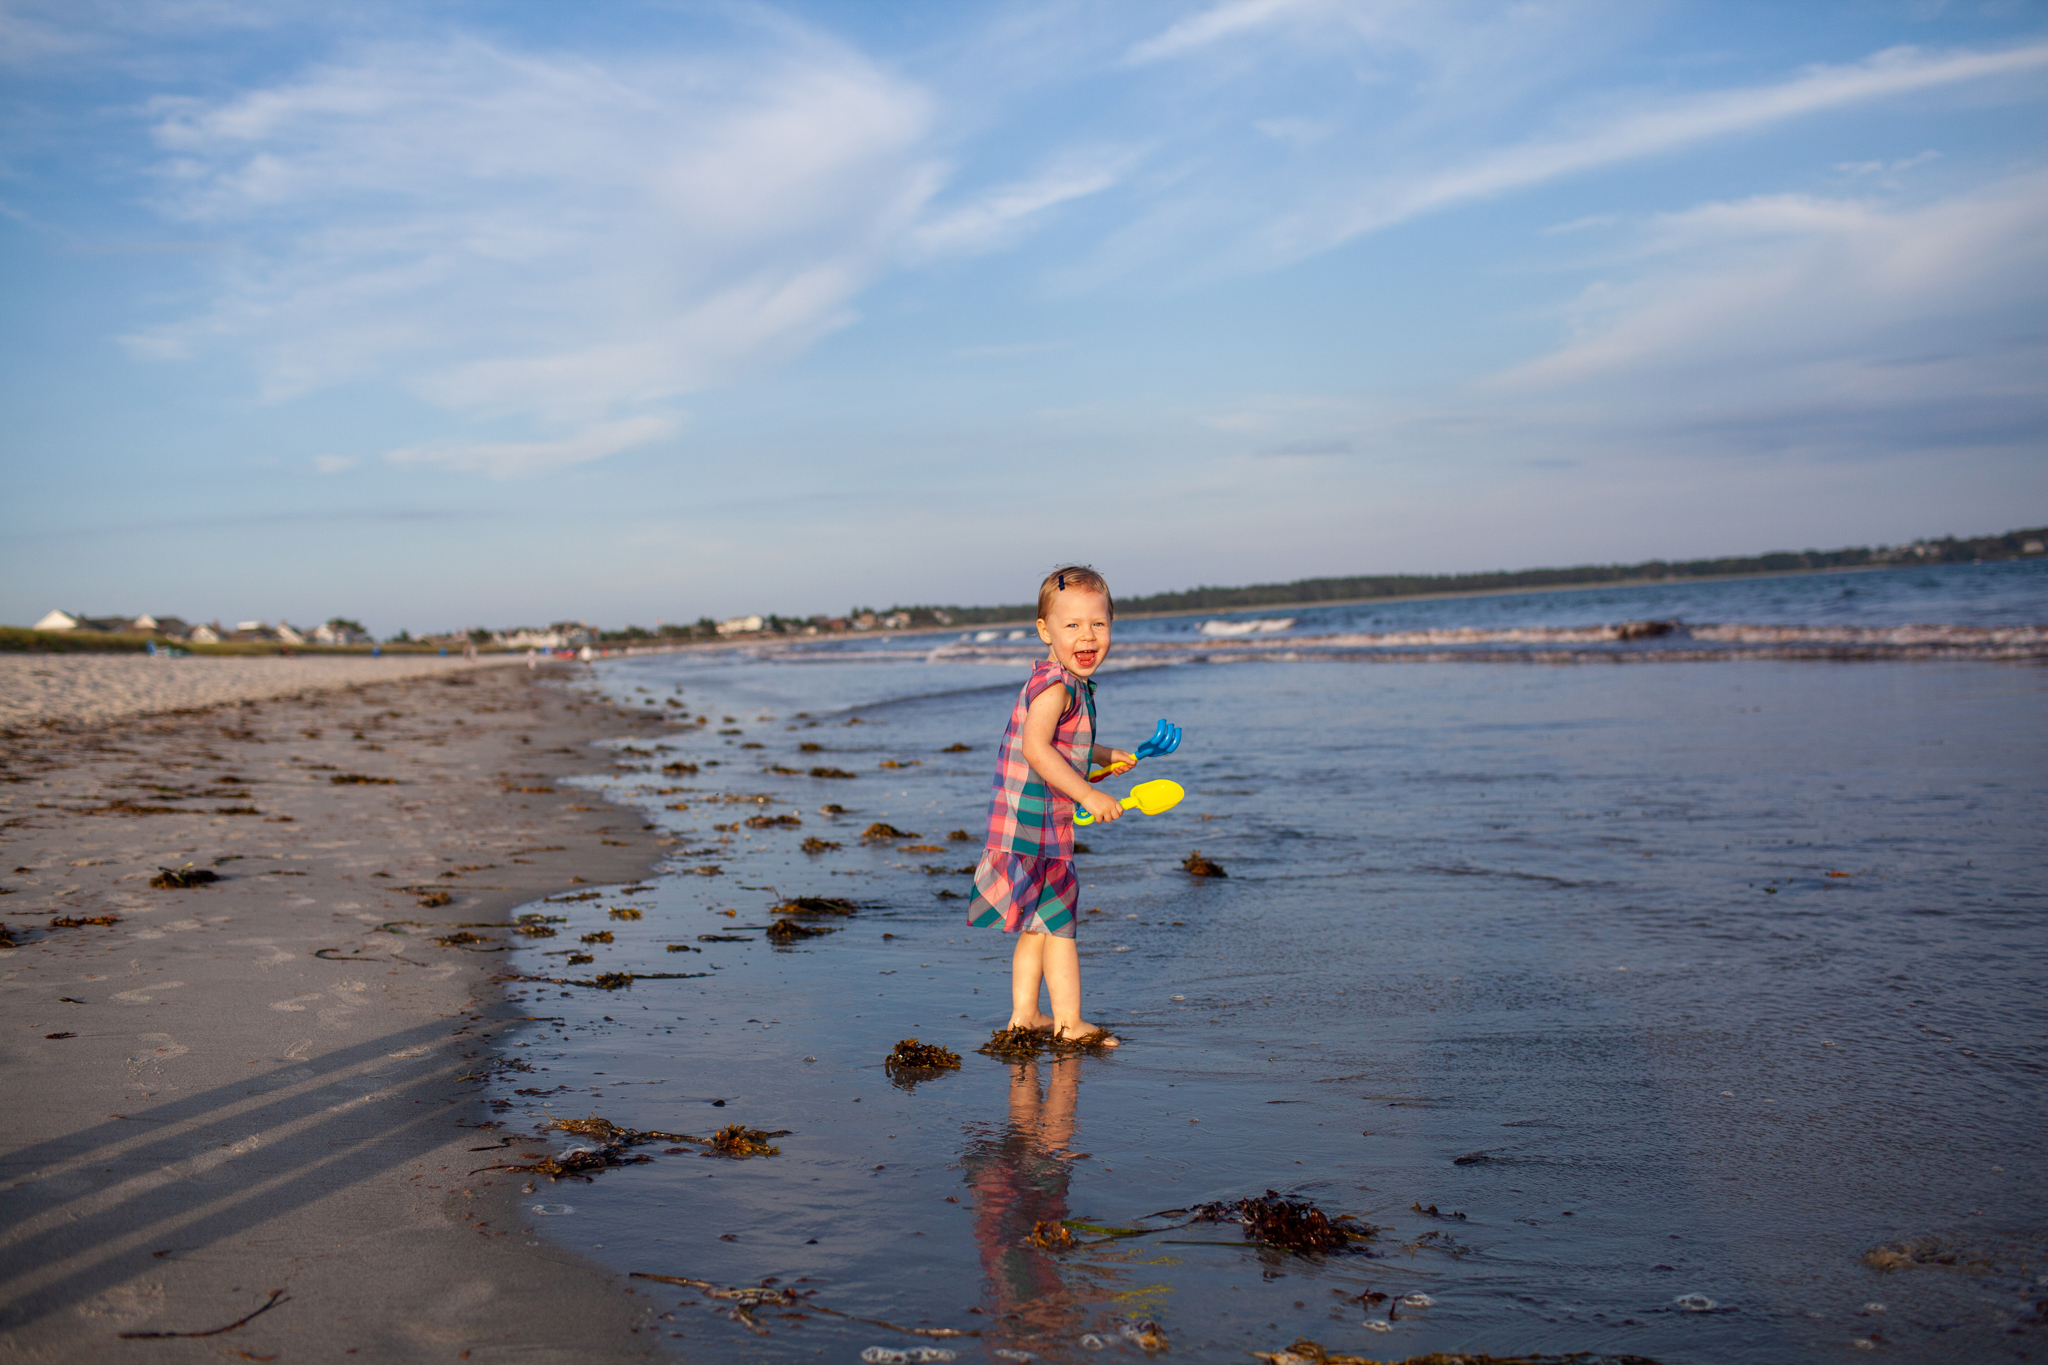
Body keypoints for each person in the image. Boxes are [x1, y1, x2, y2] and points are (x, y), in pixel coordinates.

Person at [966, 565, 1135, 1045]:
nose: (1088, 635)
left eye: (1098, 624)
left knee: (1039, 925)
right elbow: (1035, 748)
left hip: (1029, 821)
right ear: (1045, 631)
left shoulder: (1069, 684)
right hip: (1036, 823)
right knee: (1060, 923)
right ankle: (1069, 1024)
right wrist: (1088, 792)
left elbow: (1064, 743)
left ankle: (1024, 1016)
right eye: (1073, 625)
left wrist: (1104, 755)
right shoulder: (1057, 686)